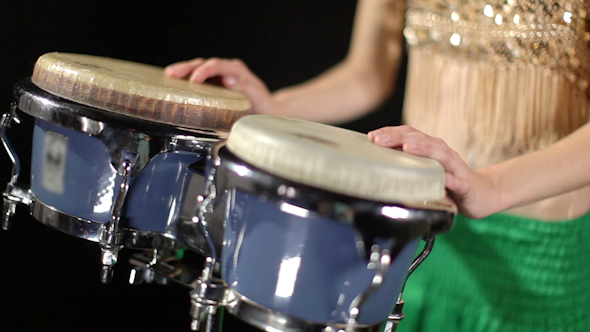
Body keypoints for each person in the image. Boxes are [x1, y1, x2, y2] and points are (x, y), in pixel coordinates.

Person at [165, 0, 590, 331]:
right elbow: (367, 73)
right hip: (423, 235)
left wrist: (492, 187)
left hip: (539, 261)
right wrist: (274, 108)